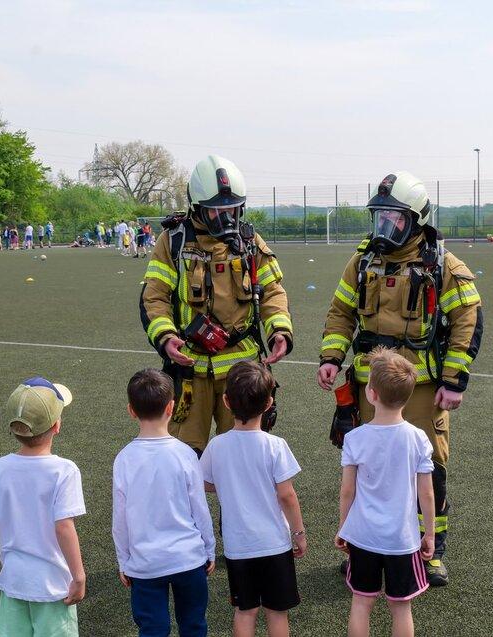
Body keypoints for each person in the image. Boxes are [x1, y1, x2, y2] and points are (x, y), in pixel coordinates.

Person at [318, 171, 482, 587]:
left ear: (417, 220)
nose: (384, 228)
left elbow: (467, 319)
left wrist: (453, 380)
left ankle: (430, 553)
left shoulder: (442, 264)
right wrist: (332, 356)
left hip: (423, 386)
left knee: (430, 468)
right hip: (369, 383)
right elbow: (341, 313)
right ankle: (364, 546)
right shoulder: (362, 261)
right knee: (366, 467)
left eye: (394, 219)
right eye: (380, 218)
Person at [140, 155, 293, 455]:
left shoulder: (250, 243)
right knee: (184, 453)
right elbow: (154, 297)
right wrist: (166, 338)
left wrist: (279, 331)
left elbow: (274, 293)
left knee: (242, 454)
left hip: (243, 370)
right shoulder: (174, 242)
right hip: (189, 369)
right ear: (197, 208)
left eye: (233, 211)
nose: (227, 220)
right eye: (216, 212)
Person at [200, 361, 306, 637]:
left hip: (238, 547)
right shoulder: (275, 445)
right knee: (277, 612)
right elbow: (287, 494)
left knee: (245, 611)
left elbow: (205, 483)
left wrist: (229, 484)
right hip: (274, 544)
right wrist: (299, 532)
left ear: (225, 401)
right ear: (269, 402)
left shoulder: (217, 445)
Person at [335, 348, 435, 637]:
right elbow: (426, 494)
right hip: (401, 539)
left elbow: (347, 491)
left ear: (371, 393)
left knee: (361, 602)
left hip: (364, 536)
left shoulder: (354, 438)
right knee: (401, 607)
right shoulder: (418, 439)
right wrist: (428, 534)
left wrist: (344, 528)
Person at [0, 377, 86, 637]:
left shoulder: (1, 466)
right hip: (52, 586)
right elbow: (64, 527)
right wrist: (78, 576)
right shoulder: (64, 470)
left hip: (13, 581)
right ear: (56, 426)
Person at [113, 369, 215, 637]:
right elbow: (199, 509)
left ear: (131, 411)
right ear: (171, 407)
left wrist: (124, 560)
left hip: (145, 564)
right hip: (189, 559)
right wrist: (209, 549)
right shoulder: (185, 454)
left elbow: (120, 519)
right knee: (194, 625)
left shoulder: (124, 459)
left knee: (153, 629)